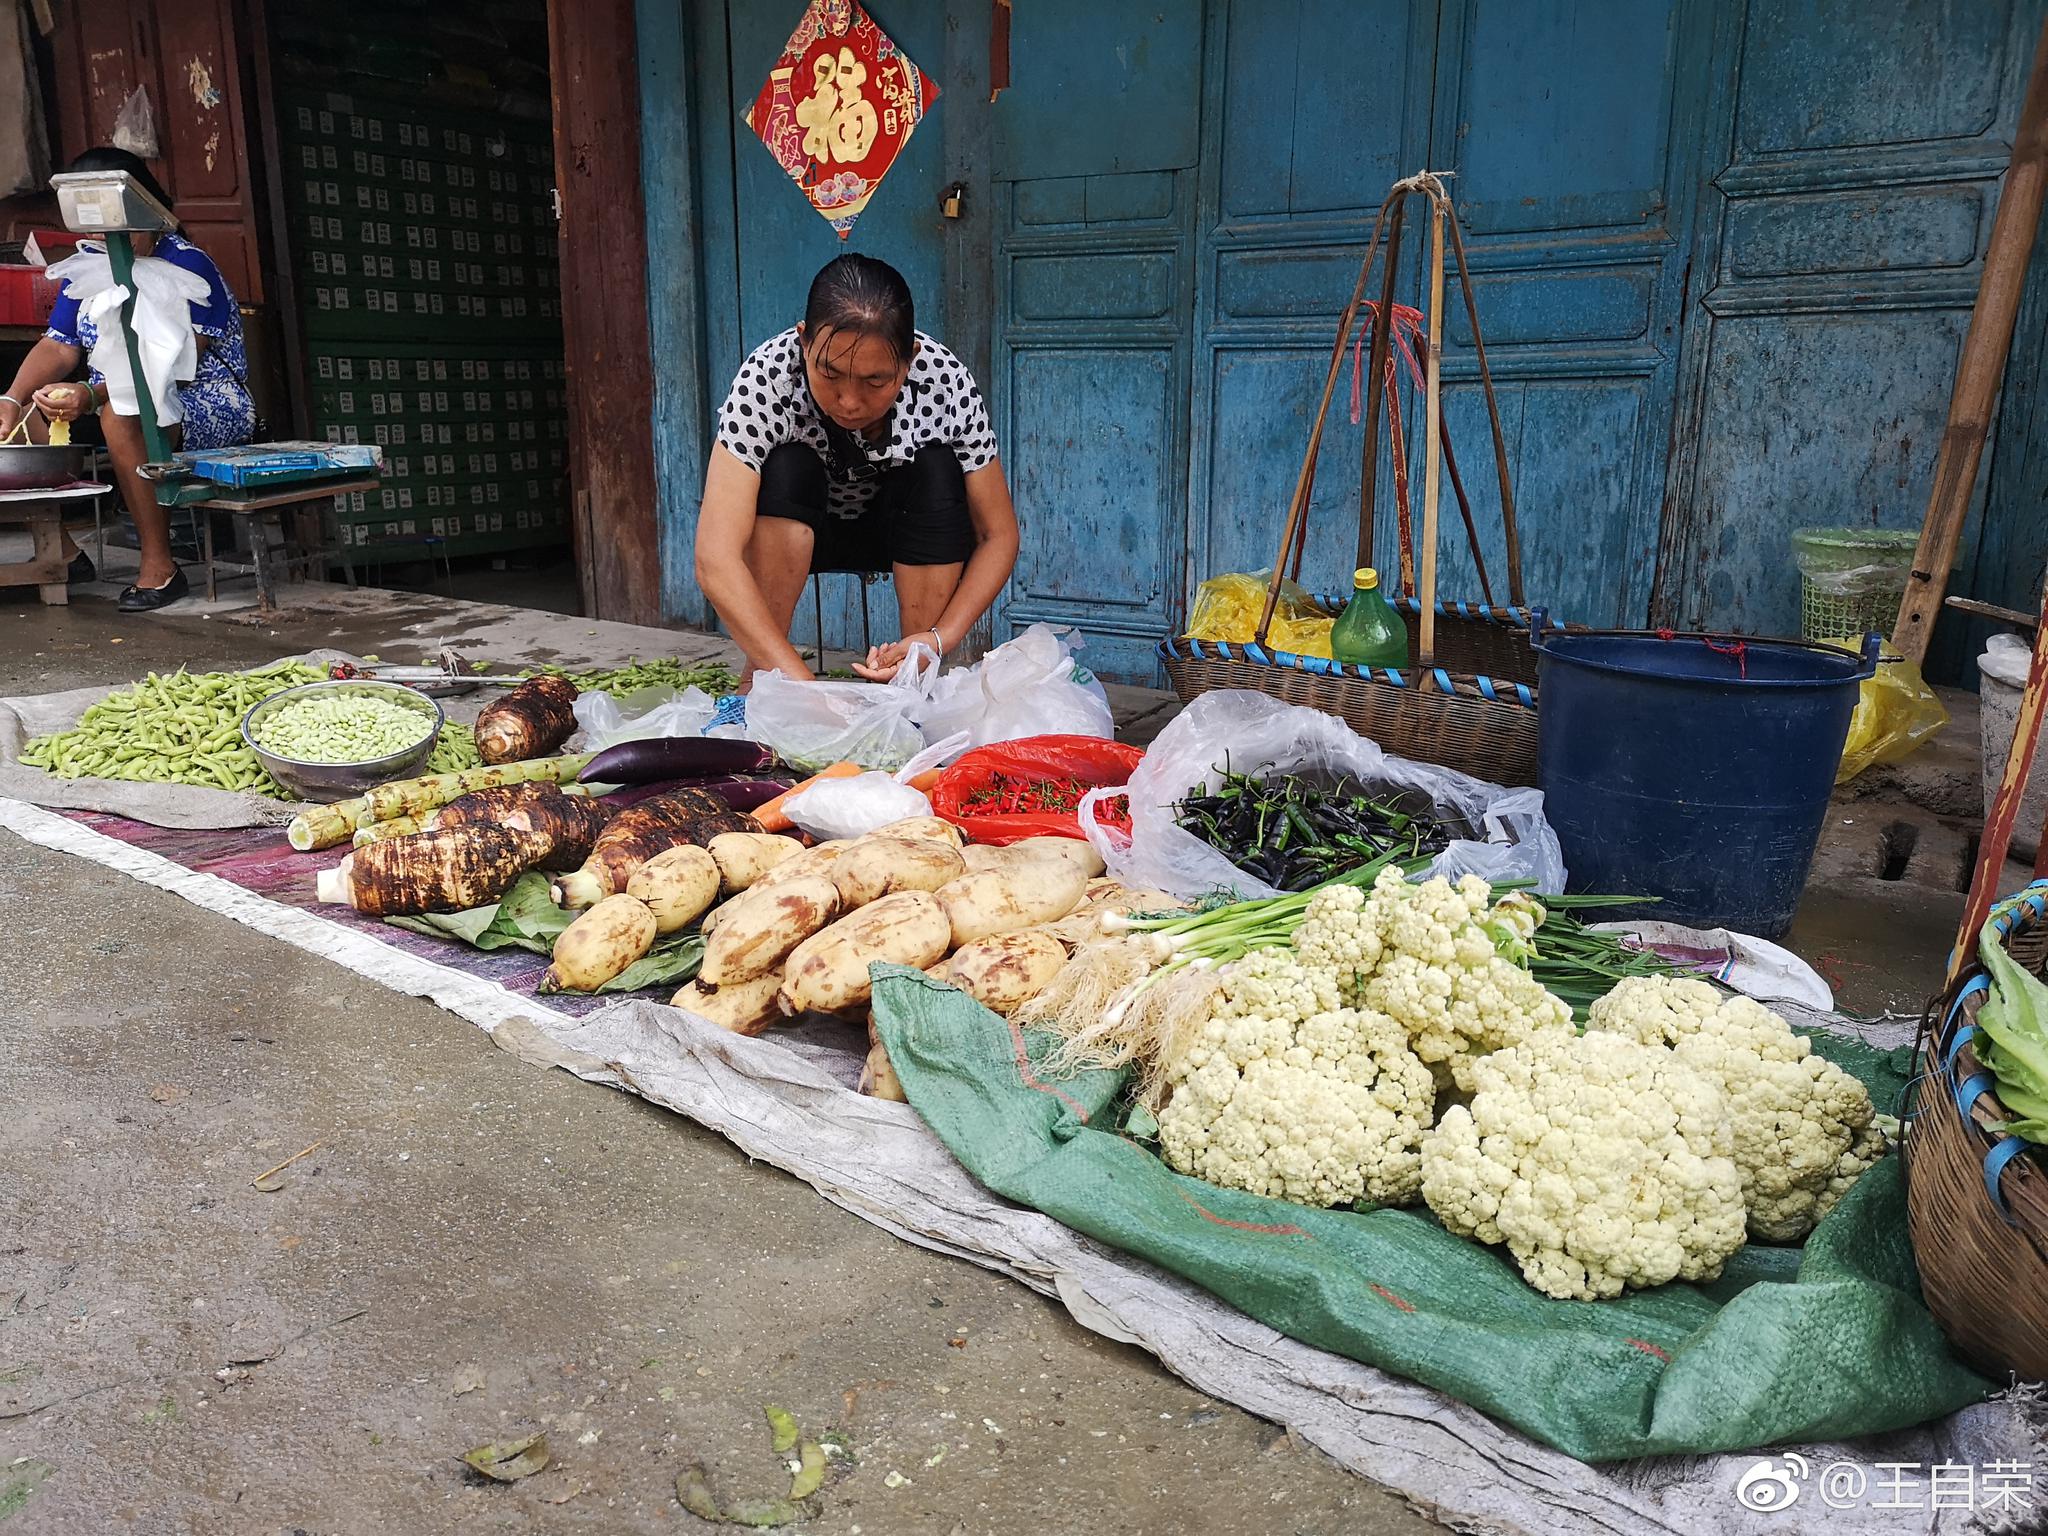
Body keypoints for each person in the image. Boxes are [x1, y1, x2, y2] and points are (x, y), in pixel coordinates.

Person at [694, 254, 1020, 683]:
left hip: (902, 530)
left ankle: (916, 675)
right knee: (788, 467)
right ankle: (761, 678)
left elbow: (998, 535)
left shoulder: (944, 380)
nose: (849, 401)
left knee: (936, 469)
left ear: (909, 360)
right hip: (797, 529)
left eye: (875, 381)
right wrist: (801, 685)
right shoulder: (767, 378)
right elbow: (714, 557)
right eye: (829, 374)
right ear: (803, 342)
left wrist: (937, 640)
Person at [0, 147, 257, 612]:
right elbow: (59, 346)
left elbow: (175, 364)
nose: (101, 234)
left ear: (145, 208)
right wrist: (12, 399)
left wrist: (91, 394)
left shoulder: (188, 265)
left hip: (204, 400)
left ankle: (160, 567)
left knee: (123, 414)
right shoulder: (91, 265)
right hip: (109, 399)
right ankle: (65, 551)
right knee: (24, 420)